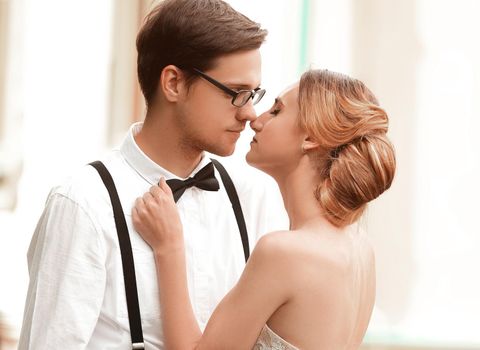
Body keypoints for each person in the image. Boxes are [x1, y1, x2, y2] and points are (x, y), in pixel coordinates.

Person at [18, 1, 284, 349]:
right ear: (173, 83)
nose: (250, 113)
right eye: (237, 93)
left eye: (254, 94)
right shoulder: (84, 203)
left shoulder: (253, 197)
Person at [133, 69, 397, 349]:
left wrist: (169, 246)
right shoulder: (359, 246)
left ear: (310, 138)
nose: (255, 121)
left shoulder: (284, 252)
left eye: (276, 111)